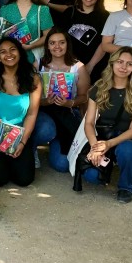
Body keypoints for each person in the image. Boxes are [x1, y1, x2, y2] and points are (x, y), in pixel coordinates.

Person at [0, 37, 53, 187]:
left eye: (12, 49)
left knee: (24, 180)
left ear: (20, 52)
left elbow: (31, 114)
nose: (8, 54)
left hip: (17, 135)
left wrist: (23, 142)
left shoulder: (33, 79)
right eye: (3, 52)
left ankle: (13, 158)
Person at [81, 47, 132, 203]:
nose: (124, 67)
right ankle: (106, 168)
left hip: (126, 140)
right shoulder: (99, 88)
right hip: (102, 137)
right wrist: (95, 146)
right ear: (112, 64)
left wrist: (109, 144)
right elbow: (89, 122)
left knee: (128, 151)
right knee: (92, 177)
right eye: (120, 62)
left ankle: (126, 187)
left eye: (129, 64)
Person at [37, 28, 90, 173]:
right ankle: (32, 149)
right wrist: (45, 101)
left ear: (68, 44)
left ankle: (57, 141)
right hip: (44, 111)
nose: (57, 47)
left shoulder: (78, 67)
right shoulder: (38, 64)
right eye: (52, 43)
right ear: (47, 46)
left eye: (61, 42)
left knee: (62, 165)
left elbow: (84, 97)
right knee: (45, 129)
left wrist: (70, 103)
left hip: (67, 113)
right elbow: (29, 96)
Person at [57, 0, 109, 84]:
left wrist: (90, 65)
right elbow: (59, 38)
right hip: (69, 64)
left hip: (95, 66)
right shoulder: (69, 13)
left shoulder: (105, 17)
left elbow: (104, 44)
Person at [0, 0, 53, 65]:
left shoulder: (42, 10)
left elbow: (48, 36)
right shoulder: (5, 9)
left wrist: (31, 46)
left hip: (33, 59)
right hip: (10, 59)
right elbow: (1, 35)